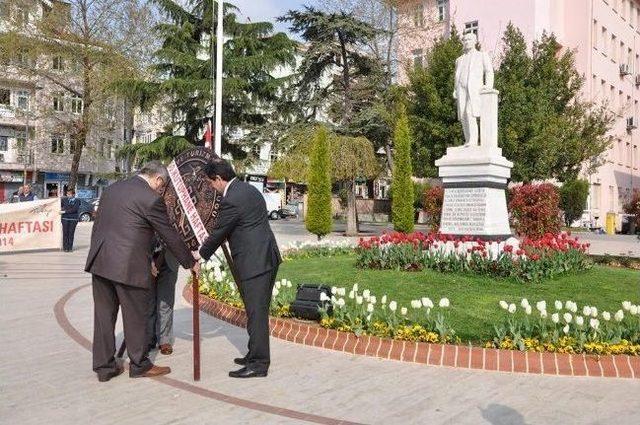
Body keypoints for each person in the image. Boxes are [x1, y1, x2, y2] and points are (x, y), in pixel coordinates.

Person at [85, 161, 200, 382]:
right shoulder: (150, 198)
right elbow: (169, 234)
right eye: (161, 185)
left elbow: (100, 226)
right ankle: (139, 364)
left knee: (103, 317)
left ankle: (104, 367)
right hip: (129, 266)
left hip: (100, 262)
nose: (160, 189)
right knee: (135, 316)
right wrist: (190, 262)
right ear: (158, 179)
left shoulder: (111, 190)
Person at [199, 159, 281, 378]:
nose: (211, 187)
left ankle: (259, 364)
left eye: (211, 183)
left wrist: (199, 254)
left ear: (218, 178)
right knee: (255, 311)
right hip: (265, 258)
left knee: (257, 313)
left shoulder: (233, 199)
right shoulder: (247, 189)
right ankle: (253, 353)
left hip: (255, 263)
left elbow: (218, 232)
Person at [453, 31, 494, 147]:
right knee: (463, 115)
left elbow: (489, 71)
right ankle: (468, 140)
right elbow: (457, 75)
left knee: (470, 112)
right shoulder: (459, 59)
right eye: (464, 40)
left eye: (469, 40)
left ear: (475, 41)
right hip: (461, 90)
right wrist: (455, 89)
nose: (466, 42)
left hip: (475, 90)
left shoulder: (481, 55)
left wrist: (488, 85)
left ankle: (473, 141)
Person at [146, 241, 179, 355]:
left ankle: (164, 339)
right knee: (148, 302)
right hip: (147, 256)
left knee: (166, 300)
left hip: (170, 257)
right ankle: (148, 338)